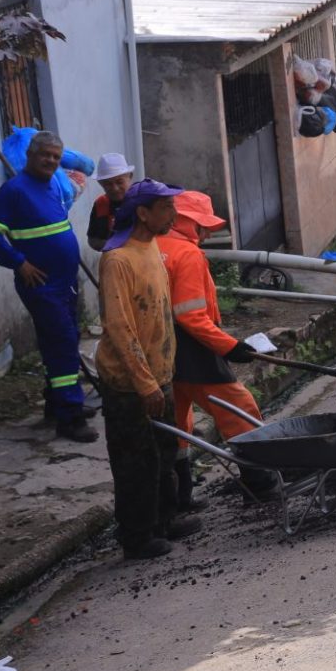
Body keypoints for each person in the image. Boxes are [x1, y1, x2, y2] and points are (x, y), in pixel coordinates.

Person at [96, 179, 200, 559]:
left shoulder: (151, 247)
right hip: (129, 384)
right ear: (142, 213)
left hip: (160, 374)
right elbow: (120, 328)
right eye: (165, 209)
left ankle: (164, 519)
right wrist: (144, 383)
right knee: (135, 461)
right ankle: (137, 536)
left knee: (165, 451)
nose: (173, 215)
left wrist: (163, 375)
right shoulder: (118, 259)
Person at [0, 130, 96, 442]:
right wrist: (18, 262)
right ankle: (69, 417)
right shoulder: (15, 190)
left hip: (65, 282)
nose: (51, 161)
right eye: (46, 155)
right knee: (62, 343)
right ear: (31, 154)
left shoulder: (53, 185)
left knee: (62, 341)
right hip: (42, 285)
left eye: (56, 157)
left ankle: (58, 403)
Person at [155, 191, 266, 509]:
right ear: (186, 220)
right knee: (238, 409)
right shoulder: (186, 254)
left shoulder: (149, 246)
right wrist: (230, 346)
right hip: (193, 349)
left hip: (160, 351)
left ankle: (178, 496)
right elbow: (189, 314)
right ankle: (259, 479)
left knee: (177, 421)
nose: (206, 234)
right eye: (202, 226)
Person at [87, 152, 134, 252]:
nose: (115, 188)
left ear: (130, 177)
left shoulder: (143, 201)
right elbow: (93, 239)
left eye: (119, 182)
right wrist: (113, 246)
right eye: (108, 184)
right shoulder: (101, 204)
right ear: (100, 184)